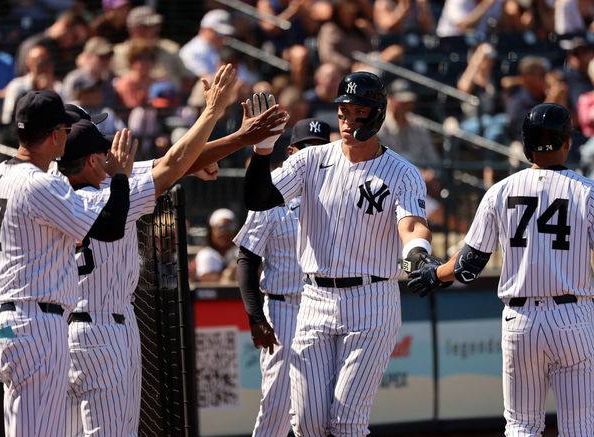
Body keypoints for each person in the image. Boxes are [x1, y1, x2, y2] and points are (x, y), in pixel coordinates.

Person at [56, 64, 289, 436]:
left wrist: (227, 145)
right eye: (98, 148)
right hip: (105, 329)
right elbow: (171, 165)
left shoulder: (48, 191)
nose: (107, 152)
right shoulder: (110, 191)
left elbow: (174, 164)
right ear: (84, 155)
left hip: (58, 328)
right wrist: (224, 122)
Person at [244, 72, 434, 437]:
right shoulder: (311, 160)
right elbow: (259, 198)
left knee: (347, 424)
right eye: (343, 111)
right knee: (309, 424)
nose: (348, 120)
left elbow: (412, 225)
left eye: (358, 111)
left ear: (377, 114)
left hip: (372, 299)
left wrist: (418, 256)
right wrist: (262, 150)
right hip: (314, 298)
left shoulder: (402, 172)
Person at [407, 103, 594, 436]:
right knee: (579, 425)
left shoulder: (500, 192)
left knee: (521, 425)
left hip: (520, 321)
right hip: (573, 317)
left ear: (525, 145)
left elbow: (467, 267)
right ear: (568, 141)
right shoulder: (587, 192)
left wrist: (434, 274)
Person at [0, 89, 134, 437]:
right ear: (56, 134)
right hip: (34, 324)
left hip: (3, 325)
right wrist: (119, 177)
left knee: (20, 426)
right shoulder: (38, 184)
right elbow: (110, 226)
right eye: (66, 132)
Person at [235, 116, 331, 437]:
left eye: (320, 147)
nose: (313, 154)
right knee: (277, 403)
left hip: (324, 306)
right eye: (306, 148)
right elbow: (247, 257)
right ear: (292, 152)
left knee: (319, 407)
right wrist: (254, 316)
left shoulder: (335, 193)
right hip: (284, 309)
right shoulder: (272, 194)